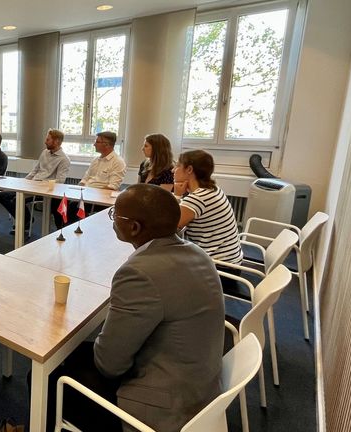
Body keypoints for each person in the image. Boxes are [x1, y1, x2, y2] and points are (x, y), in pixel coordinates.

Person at [45, 184, 225, 432]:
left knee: (48, 376)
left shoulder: (139, 273)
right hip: (198, 386)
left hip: (161, 409)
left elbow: (109, 365)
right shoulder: (197, 253)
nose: (112, 219)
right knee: (74, 354)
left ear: (134, 228)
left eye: (115, 215)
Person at [174, 149, 243, 288]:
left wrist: (177, 196)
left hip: (219, 270)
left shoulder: (198, 198)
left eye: (177, 166)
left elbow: (170, 227)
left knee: (165, 269)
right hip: (231, 262)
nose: (173, 170)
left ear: (189, 170)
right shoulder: (213, 189)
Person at [0, 128, 70, 236]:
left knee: (17, 199)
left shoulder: (64, 159)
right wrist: (24, 181)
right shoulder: (44, 152)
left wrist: (41, 184)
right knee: (2, 195)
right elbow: (35, 170)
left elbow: (60, 181)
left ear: (56, 141)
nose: (45, 142)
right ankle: (27, 219)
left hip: (45, 190)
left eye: (48, 140)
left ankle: (24, 223)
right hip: (32, 185)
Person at [59, 131, 127, 228]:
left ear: (107, 145)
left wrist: (90, 192)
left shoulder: (118, 162)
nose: (94, 144)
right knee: (63, 203)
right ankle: (65, 230)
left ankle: (71, 231)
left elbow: (112, 187)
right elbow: (85, 179)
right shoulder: (96, 160)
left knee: (72, 207)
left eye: (97, 142)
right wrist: (78, 191)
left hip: (100, 200)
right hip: (86, 195)